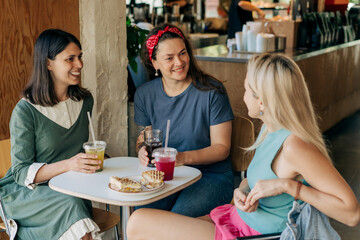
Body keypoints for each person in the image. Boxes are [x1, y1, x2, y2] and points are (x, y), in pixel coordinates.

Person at [127, 53, 360, 240]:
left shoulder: (295, 146)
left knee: (139, 224)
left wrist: (288, 186)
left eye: (247, 89)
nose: (243, 95)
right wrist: (243, 191)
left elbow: (352, 214)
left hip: (258, 234)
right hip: (237, 220)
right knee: (142, 223)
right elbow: (258, 178)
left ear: (262, 101)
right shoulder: (270, 130)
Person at [0, 29, 102, 239]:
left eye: (80, 57)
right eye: (70, 59)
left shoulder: (85, 102)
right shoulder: (26, 111)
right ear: (48, 64)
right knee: (73, 210)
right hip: (28, 194)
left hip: (71, 188)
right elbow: (20, 172)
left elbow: (81, 148)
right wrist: (69, 164)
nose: (80, 65)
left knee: (75, 206)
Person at [134, 24, 234, 218]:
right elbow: (145, 136)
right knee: (142, 216)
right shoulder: (144, 95)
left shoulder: (212, 91)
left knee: (178, 218)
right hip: (165, 177)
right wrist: (141, 151)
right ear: (155, 63)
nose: (179, 62)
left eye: (182, 53)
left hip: (210, 177)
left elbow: (222, 148)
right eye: (169, 58)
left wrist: (182, 158)